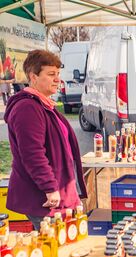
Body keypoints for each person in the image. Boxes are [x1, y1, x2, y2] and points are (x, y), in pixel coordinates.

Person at [4, 50, 87, 231]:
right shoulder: (27, 108)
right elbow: (33, 154)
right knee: (53, 247)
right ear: (33, 77)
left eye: (58, 74)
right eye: (51, 74)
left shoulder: (43, 104)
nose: (57, 79)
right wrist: (50, 188)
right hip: (44, 197)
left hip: (59, 192)